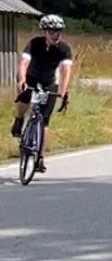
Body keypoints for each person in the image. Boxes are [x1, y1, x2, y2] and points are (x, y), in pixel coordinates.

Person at [11, 13, 74, 175]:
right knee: (24, 97)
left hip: (49, 81)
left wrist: (64, 91)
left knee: (44, 120)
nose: (56, 34)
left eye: (58, 31)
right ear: (44, 32)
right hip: (31, 78)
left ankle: (40, 157)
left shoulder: (64, 49)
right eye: (52, 31)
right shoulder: (34, 44)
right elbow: (24, 63)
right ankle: (19, 120)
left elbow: (66, 71)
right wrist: (22, 80)